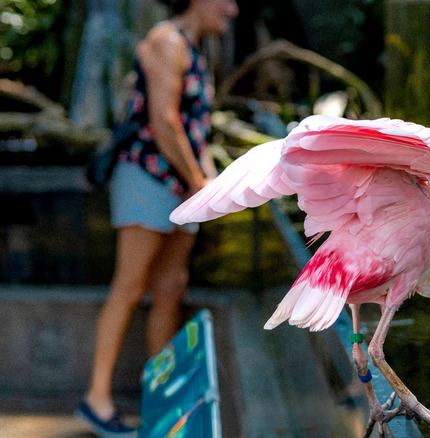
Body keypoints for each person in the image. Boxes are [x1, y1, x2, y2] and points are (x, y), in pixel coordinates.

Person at [75, 0, 239, 436]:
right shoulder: (166, 42)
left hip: (181, 185)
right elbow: (164, 122)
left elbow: (191, 124)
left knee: (170, 287)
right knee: (129, 285)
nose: (234, 9)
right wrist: (202, 181)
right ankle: (96, 400)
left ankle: (164, 405)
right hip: (148, 177)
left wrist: (201, 180)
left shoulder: (194, 48)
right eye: (226, 0)